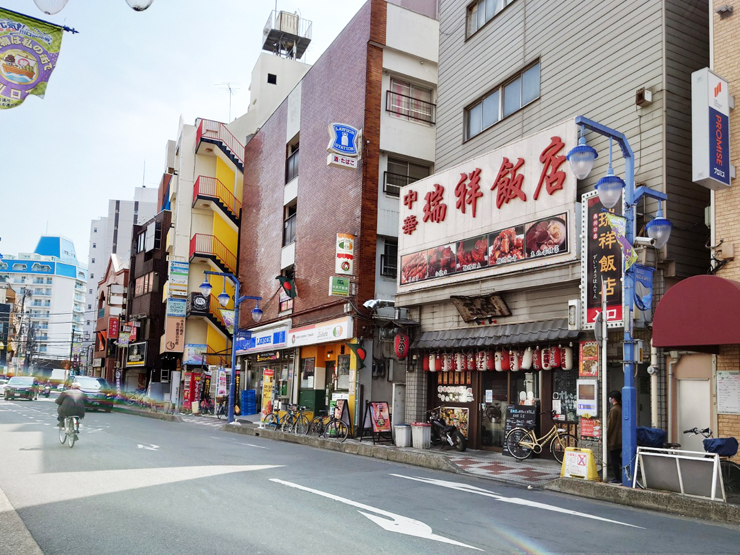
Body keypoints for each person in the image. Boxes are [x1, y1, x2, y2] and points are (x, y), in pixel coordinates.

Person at [607, 390, 623, 484]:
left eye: (611, 397)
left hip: (614, 438)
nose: (610, 399)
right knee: (617, 457)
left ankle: (618, 477)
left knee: (614, 458)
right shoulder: (620, 408)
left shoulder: (614, 410)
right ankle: (628, 470)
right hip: (620, 438)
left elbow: (610, 425)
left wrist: (605, 437)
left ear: (614, 399)